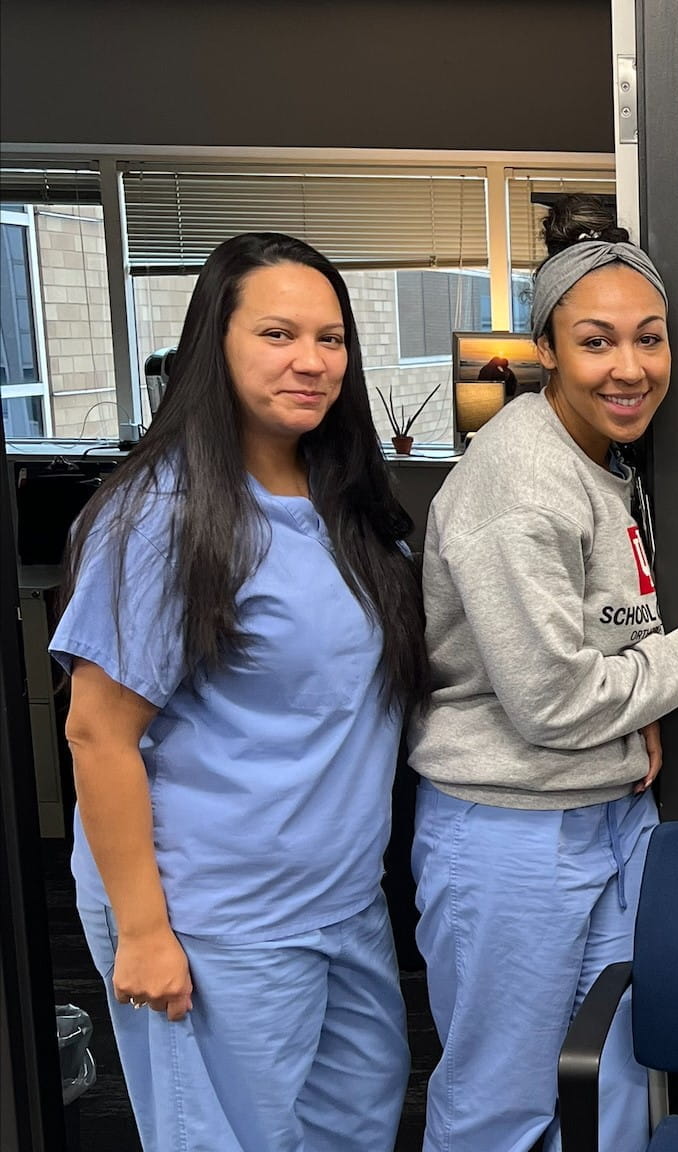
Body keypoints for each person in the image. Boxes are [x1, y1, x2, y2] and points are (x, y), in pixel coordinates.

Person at [408, 196, 678, 1151]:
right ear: (546, 349)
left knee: (617, 1089)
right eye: (596, 343)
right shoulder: (521, 483)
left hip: (603, 819)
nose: (629, 367)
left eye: (650, 339)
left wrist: (638, 712)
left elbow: (585, 646)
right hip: (509, 833)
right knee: (499, 1102)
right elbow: (550, 699)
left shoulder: (603, 459)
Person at [52, 232, 427, 1150]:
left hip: (339, 902)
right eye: (277, 333)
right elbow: (97, 734)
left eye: (331, 338)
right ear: (213, 347)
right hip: (214, 917)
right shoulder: (162, 517)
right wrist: (143, 934)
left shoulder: (343, 504)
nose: (311, 361)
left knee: (355, 1129)